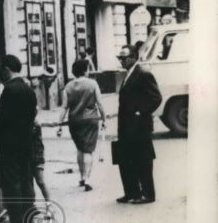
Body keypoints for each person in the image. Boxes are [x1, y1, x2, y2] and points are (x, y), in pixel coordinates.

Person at [0, 54, 37, 223]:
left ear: (6, 69)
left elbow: (4, 120)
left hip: (10, 144)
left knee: (12, 184)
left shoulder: (9, 90)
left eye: (0, 70)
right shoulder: (28, 89)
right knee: (26, 180)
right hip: (25, 142)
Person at [115, 43, 162, 204]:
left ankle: (148, 194)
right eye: (119, 57)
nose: (121, 60)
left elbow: (156, 98)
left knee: (143, 160)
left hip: (139, 126)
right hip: (127, 127)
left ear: (134, 58)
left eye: (124, 57)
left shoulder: (143, 74)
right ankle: (131, 192)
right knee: (127, 160)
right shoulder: (128, 74)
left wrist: (140, 112)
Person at [56, 59, 107, 192]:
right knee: (88, 150)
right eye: (88, 69)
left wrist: (59, 123)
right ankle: (88, 180)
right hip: (90, 119)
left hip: (74, 121)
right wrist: (104, 118)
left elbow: (64, 107)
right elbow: (99, 103)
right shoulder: (92, 84)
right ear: (85, 70)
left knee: (80, 148)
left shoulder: (68, 86)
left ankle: (81, 176)